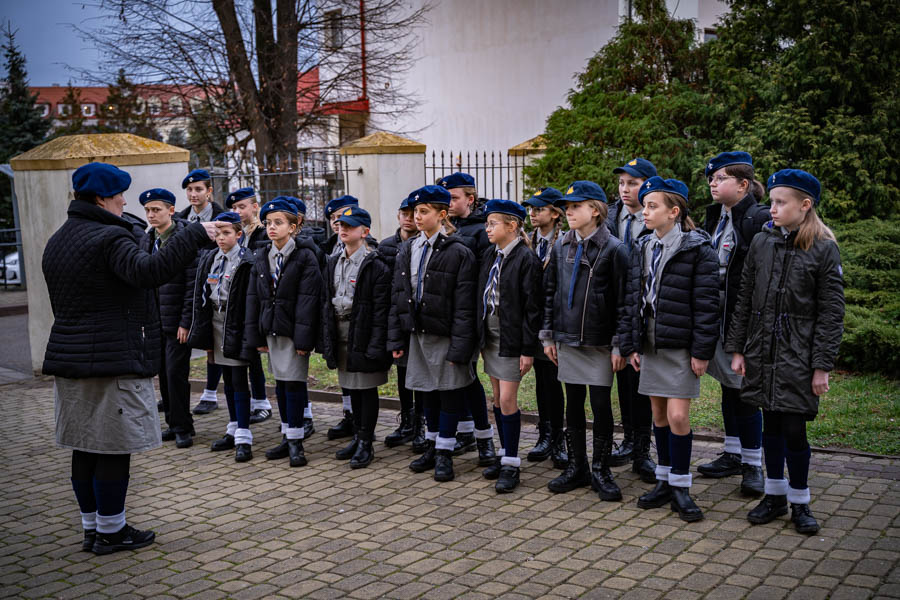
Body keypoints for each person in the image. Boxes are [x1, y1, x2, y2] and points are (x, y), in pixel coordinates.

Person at [43, 162, 220, 554]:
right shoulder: (109, 237)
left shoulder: (60, 238)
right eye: (120, 194)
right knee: (112, 446)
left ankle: (93, 528)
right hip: (110, 361)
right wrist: (192, 234)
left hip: (70, 359)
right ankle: (112, 531)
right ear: (102, 198)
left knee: (85, 447)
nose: (125, 201)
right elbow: (149, 271)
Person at [728, 169, 844, 535]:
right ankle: (774, 496)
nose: (772, 208)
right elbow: (745, 297)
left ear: (805, 205)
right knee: (772, 425)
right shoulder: (762, 242)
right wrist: (738, 348)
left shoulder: (823, 248)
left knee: (794, 429)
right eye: (772, 201)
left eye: (781, 202)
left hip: (799, 356)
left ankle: (800, 502)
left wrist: (821, 366)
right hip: (763, 351)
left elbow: (831, 313)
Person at [621, 177, 719, 522]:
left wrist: (701, 351)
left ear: (674, 212)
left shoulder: (698, 249)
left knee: (678, 416)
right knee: (659, 415)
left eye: (653, 206)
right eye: (645, 206)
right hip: (650, 343)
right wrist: (631, 343)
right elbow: (632, 298)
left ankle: (681, 486)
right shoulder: (643, 246)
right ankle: (664, 480)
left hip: (680, 345)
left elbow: (707, 305)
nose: (645, 212)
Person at [541, 182, 629, 501]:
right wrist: (548, 335)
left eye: (576, 206)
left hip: (599, 342)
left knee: (601, 405)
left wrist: (619, 344)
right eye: (567, 207)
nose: (569, 212)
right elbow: (550, 293)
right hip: (567, 340)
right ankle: (577, 466)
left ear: (595, 210)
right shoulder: (560, 246)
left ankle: (601, 469)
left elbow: (624, 301)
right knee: (573, 403)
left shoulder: (615, 249)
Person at [388, 185, 478, 482]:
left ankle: (445, 453)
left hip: (445, 334)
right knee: (426, 391)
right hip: (418, 333)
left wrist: (461, 347)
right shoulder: (408, 248)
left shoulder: (458, 251)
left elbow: (465, 305)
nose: (417, 216)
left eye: (424, 211)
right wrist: (397, 337)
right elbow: (398, 295)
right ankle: (432, 444)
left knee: (449, 392)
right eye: (415, 211)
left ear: (442, 214)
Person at [697, 152, 771, 496]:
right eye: (711, 178)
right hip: (717, 314)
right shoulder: (716, 216)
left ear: (743, 185)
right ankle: (733, 453)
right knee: (729, 387)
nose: (713, 183)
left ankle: (753, 465)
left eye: (720, 178)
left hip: (743, 319)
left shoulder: (757, 219)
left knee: (744, 390)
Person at [245, 199, 323, 467]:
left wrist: (303, 339)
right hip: (272, 330)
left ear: (293, 226)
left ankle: (297, 441)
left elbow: (308, 300)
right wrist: (257, 336)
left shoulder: (304, 256)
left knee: (294, 384)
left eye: (278, 223)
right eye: (268, 223)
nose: (271, 228)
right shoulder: (262, 255)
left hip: (293, 332)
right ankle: (287, 435)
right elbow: (254, 298)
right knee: (280, 383)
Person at [476, 200, 542, 493]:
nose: (487, 229)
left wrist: (527, 350)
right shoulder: (491, 254)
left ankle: (512, 464)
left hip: (511, 339)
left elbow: (532, 309)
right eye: (487, 224)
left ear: (512, 226)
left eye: (493, 224)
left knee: (507, 400)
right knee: (495, 398)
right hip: (490, 336)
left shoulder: (526, 259)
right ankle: (504, 454)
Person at [322, 205, 393, 468]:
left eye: (349, 227)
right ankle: (357, 435)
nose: (342, 230)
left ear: (365, 232)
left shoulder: (375, 264)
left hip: (363, 333)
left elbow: (380, 310)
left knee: (366, 389)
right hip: (341, 333)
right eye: (340, 225)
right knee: (351, 387)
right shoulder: (333, 261)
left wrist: (376, 344)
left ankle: (366, 441)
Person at [187, 211, 256, 462]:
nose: (221, 238)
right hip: (216, 323)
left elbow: (251, 300)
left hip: (235, 324)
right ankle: (233, 427)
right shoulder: (211, 258)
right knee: (227, 379)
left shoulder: (247, 261)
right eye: (217, 233)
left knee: (238, 379)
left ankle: (244, 436)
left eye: (226, 233)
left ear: (239, 234)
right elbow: (201, 293)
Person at [438, 172, 496, 465]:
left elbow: (482, 276)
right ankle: (464, 431)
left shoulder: (481, 230)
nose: (448, 203)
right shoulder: (444, 227)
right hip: (444, 316)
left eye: (453, 198)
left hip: (467, 314)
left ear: (470, 199)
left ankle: (484, 436)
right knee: (451, 380)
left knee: (468, 377)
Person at [607, 158, 657, 484]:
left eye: (633, 184)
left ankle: (643, 448)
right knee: (621, 380)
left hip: (642, 308)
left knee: (640, 381)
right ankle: (627, 440)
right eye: (622, 183)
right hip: (612, 308)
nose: (625, 190)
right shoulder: (610, 216)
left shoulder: (656, 218)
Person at [138, 188, 198, 449]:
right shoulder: (146, 240)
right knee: (163, 373)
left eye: (156, 210)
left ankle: (184, 426)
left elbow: (192, 284)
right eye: (148, 210)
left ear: (171, 210)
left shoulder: (183, 239)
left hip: (176, 321)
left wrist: (186, 321)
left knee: (176, 373)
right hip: (155, 320)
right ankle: (173, 423)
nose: (151, 215)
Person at [521, 187, 568, 469]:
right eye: (531, 209)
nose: (532, 213)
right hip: (533, 320)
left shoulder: (563, 242)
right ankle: (545, 433)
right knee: (541, 379)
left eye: (539, 209)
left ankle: (559, 438)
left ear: (555, 213)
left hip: (555, 321)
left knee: (554, 380)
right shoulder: (527, 240)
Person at [378, 194, 425, 450]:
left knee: (422, 374)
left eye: (412, 214)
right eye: (404, 214)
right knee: (403, 371)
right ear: (398, 216)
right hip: (396, 316)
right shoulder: (386, 246)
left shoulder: (423, 244)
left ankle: (422, 423)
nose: (409, 219)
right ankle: (407, 420)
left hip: (418, 316)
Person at [180, 169, 226, 416]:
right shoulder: (181, 219)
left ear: (209, 191)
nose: (193, 194)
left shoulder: (221, 218)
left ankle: (210, 393)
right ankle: (175, 393)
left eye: (198, 189)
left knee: (211, 341)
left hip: (213, 283)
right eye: (189, 190)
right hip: (187, 284)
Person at [226, 186, 273, 425]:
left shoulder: (263, 233)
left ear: (255, 207)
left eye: (242, 206)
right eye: (234, 207)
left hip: (254, 300)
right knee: (244, 355)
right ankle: (254, 402)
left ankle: (262, 401)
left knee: (253, 353)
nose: (237, 211)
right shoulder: (236, 233)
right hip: (238, 302)